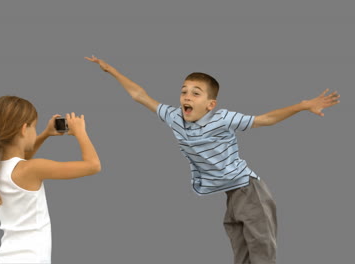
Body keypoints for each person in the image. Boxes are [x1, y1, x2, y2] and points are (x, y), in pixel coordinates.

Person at [86, 56, 339, 264]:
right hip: (230, 195)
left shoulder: (222, 119)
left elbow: (266, 119)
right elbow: (140, 95)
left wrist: (303, 105)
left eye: (196, 93)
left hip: (249, 191)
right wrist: (112, 71)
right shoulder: (175, 117)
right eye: (184, 91)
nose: (186, 97)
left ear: (210, 104)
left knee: (262, 254)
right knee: (241, 256)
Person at [0, 95, 101, 263]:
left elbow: (19, 159)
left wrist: (46, 134)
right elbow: (93, 165)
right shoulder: (32, 168)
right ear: (24, 129)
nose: (36, 132)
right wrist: (80, 132)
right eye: (35, 128)